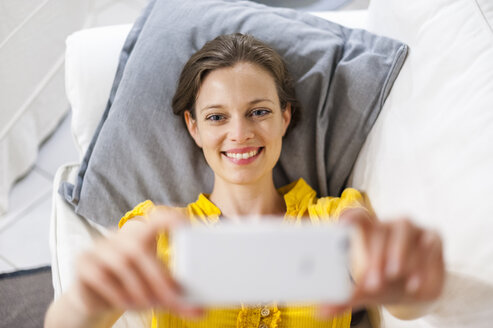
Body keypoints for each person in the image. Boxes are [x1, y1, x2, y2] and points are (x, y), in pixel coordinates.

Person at [45, 33, 444, 328]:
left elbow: (403, 303)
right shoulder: (157, 230)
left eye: (258, 112)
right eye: (217, 117)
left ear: (285, 117)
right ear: (194, 127)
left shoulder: (335, 218)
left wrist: (409, 284)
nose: (240, 134)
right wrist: (86, 295)